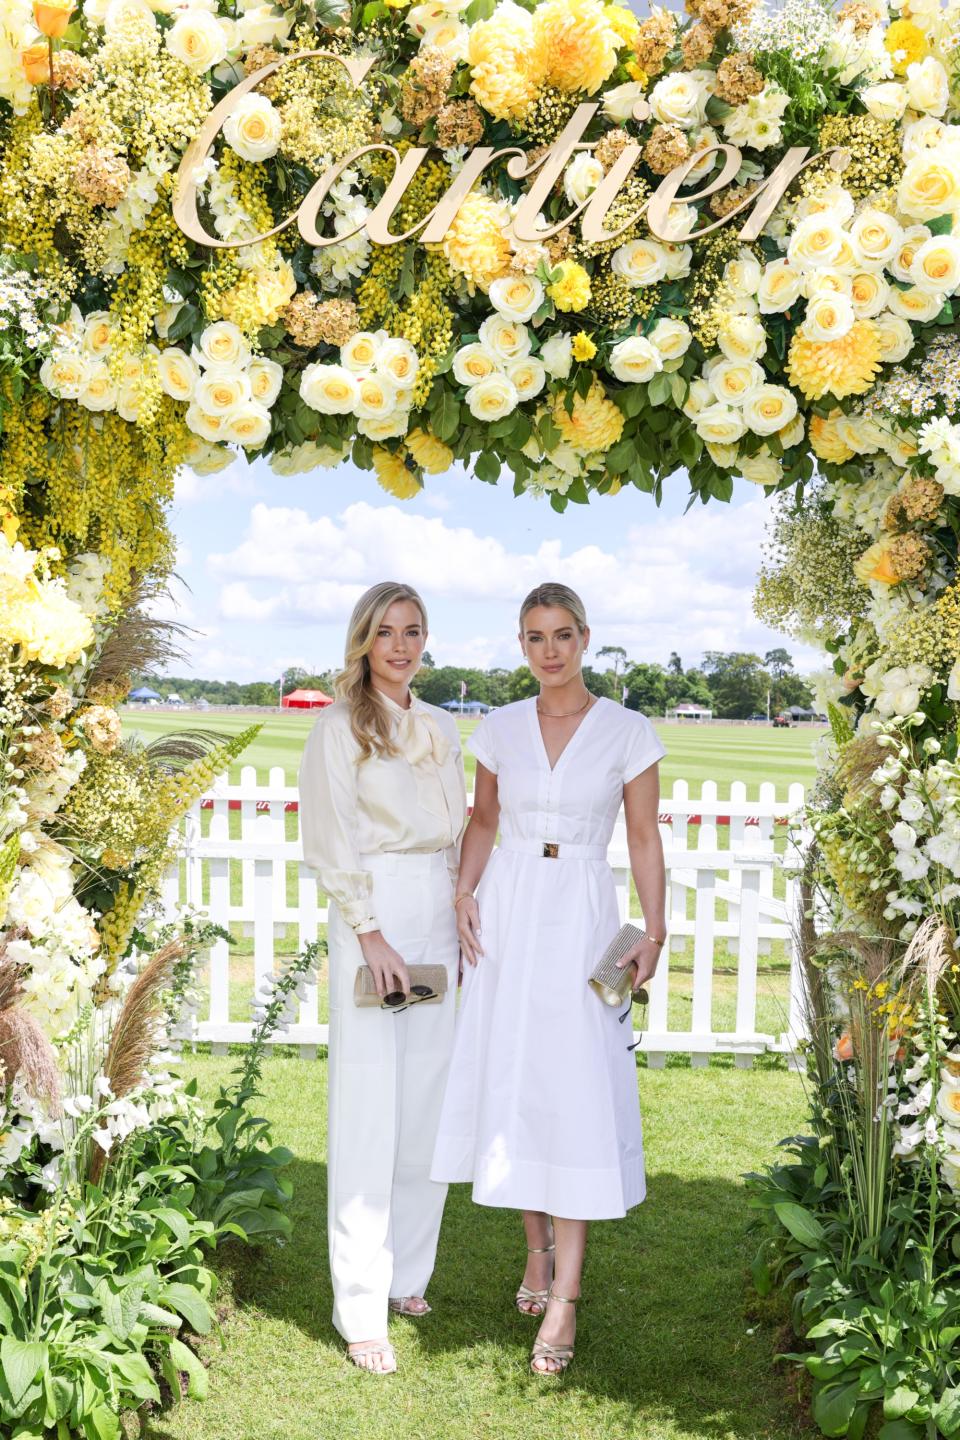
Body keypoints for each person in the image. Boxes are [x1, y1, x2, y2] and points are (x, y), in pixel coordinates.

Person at [430, 582, 667, 1376]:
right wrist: (463, 894)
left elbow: (641, 837)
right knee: (517, 1079)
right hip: (507, 913)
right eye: (535, 637)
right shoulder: (497, 727)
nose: (550, 650)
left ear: (586, 638)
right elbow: (485, 821)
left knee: (574, 1089)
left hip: (585, 917)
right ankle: (534, 1251)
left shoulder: (629, 731)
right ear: (521, 645)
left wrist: (653, 929)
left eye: (563, 635)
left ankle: (566, 1294)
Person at [299, 581, 466, 1375]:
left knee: (426, 1108)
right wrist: (370, 934)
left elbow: (462, 832)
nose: (401, 645)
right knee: (371, 1109)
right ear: (363, 639)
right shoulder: (338, 728)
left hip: (438, 909)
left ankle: (408, 1275)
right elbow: (332, 838)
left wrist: (465, 907)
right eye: (386, 632)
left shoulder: (440, 725)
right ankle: (361, 1305)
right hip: (377, 916)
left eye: (413, 631)